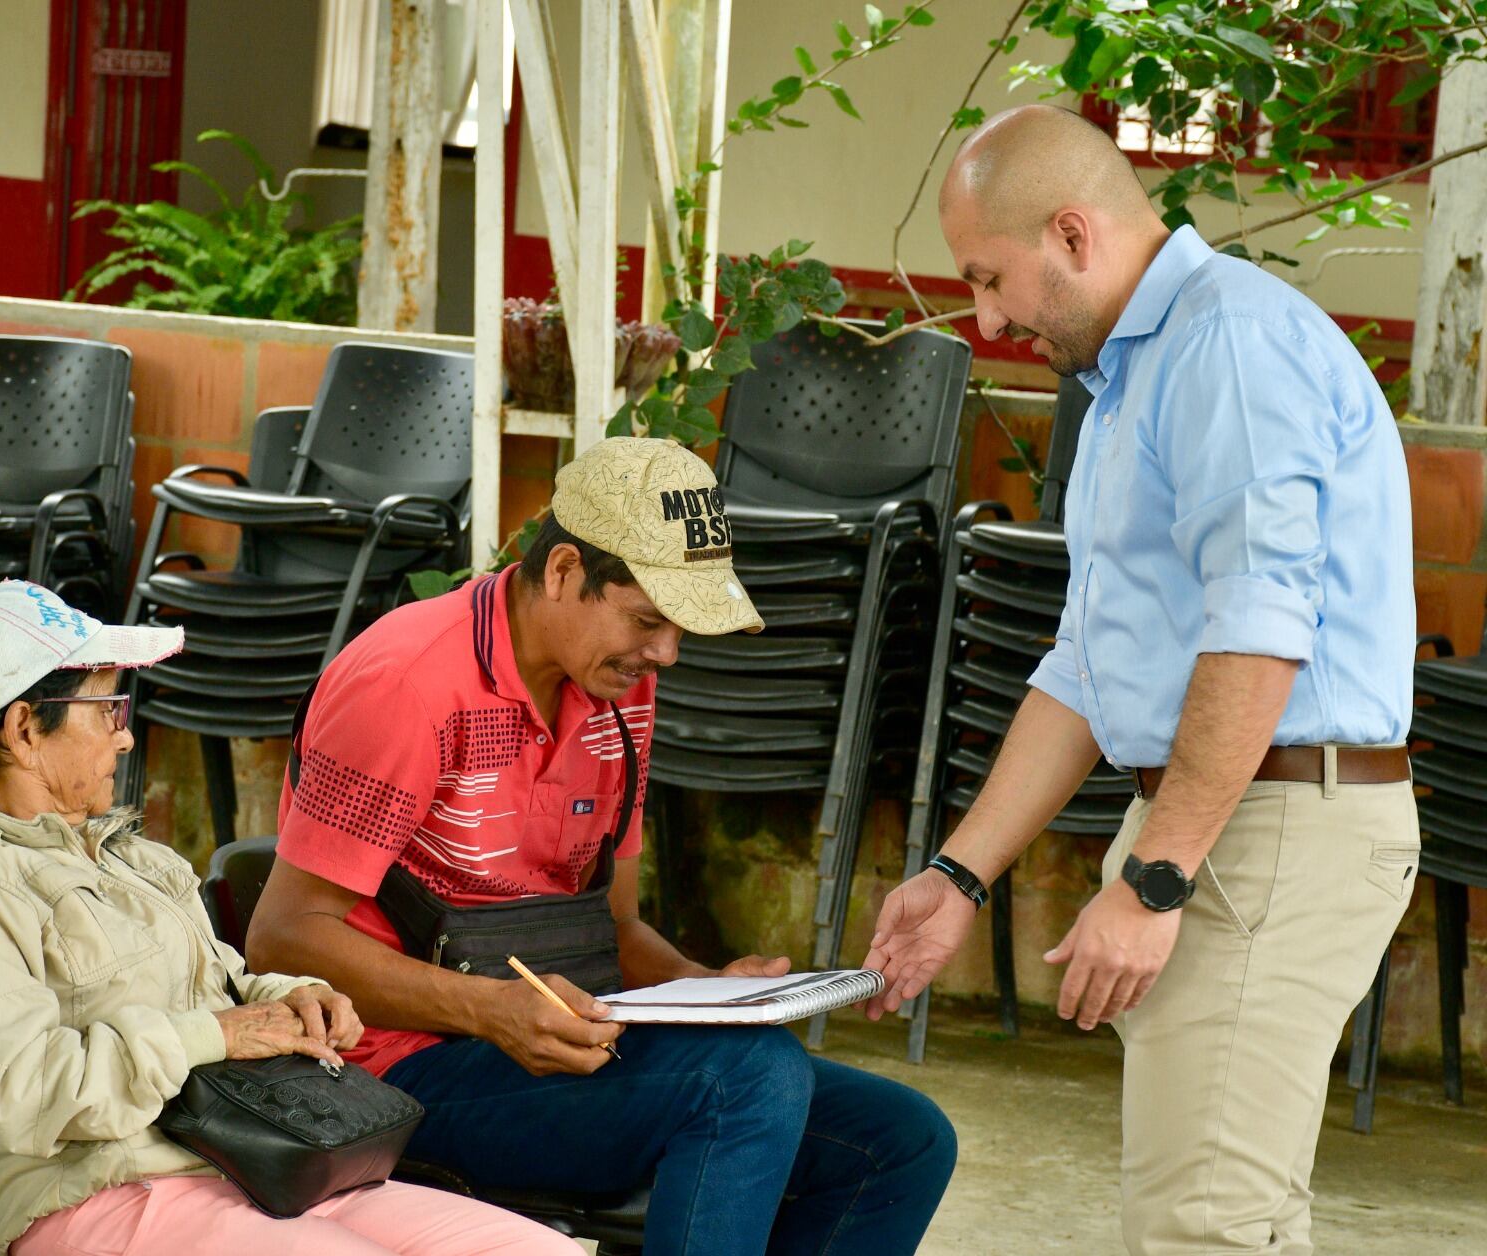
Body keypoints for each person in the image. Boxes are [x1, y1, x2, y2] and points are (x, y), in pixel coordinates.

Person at [865, 105, 1418, 1255]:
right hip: (1234, 811)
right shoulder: (1133, 376)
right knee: (1230, 1217)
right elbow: (1087, 661)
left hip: (1267, 821)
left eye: (988, 277)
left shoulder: (1227, 345)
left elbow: (1260, 628)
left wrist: (1157, 877)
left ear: (1072, 232)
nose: (987, 317)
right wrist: (958, 875)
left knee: (1202, 1227)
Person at [248, 437, 958, 1256]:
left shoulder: (619, 687)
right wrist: (492, 1012)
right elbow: (284, 933)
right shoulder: (406, 684)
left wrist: (707, 992)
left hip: (562, 1039)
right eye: (647, 619)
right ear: (561, 574)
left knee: (901, 1138)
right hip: (396, 1069)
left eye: (677, 628)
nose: (665, 653)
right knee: (747, 1083)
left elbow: (613, 929)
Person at [0, 580, 579, 1256]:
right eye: (106, 711)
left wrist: (292, 1000)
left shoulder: (134, 861)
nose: (124, 740)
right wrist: (213, 1035)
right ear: (24, 729)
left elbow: (227, 990)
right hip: (102, 1195)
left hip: (259, 1166)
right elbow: (27, 1092)